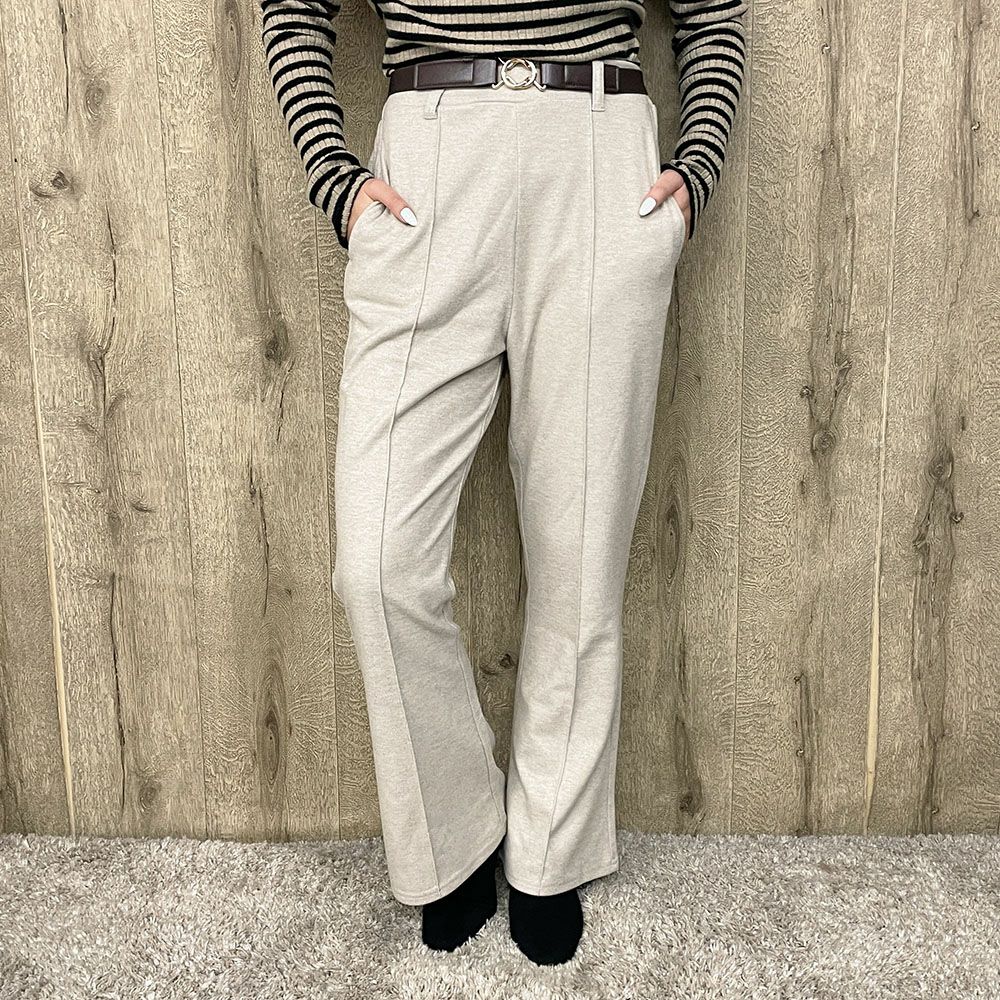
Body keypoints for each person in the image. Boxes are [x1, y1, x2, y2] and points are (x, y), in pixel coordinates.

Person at [260, 0, 747, 967]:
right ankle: (454, 836)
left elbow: (715, 15)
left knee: (581, 551)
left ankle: (551, 852)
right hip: (429, 161)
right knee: (378, 564)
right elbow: (293, 9)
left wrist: (694, 173)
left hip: (599, 156)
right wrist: (335, 178)